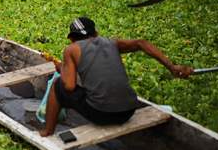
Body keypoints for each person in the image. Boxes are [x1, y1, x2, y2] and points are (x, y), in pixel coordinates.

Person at [40, 17, 193, 137]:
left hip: (101, 114)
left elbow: (69, 86)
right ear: (96, 33)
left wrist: (62, 68)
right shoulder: (111, 42)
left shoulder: (71, 49)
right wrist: (172, 67)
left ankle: (47, 132)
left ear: (72, 38)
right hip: (129, 112)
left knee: (57, 85)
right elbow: (141, 43)